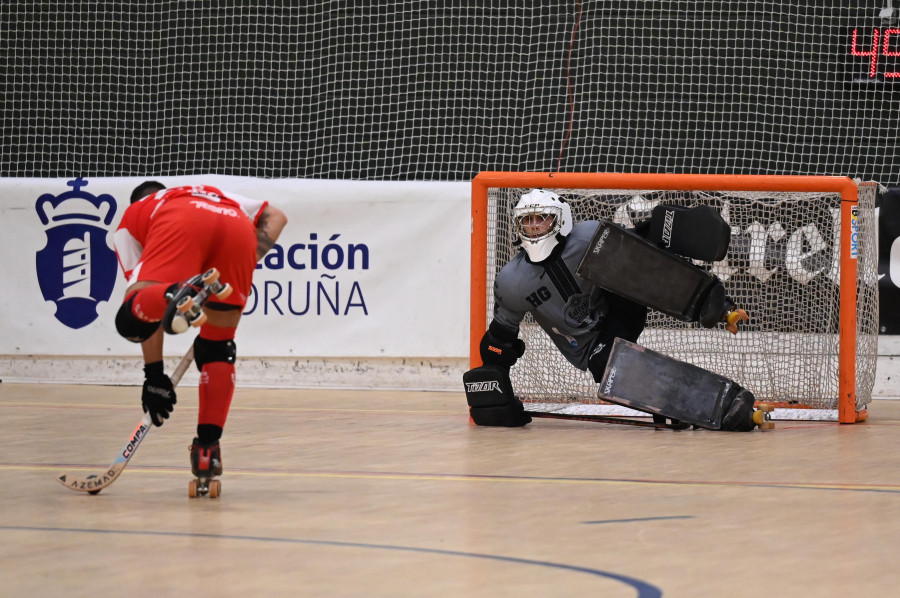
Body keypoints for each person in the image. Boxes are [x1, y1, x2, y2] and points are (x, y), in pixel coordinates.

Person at [113, 181, 288, 483]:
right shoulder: (209, 192)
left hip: (180, 223)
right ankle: (207, 450)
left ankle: (178, 289)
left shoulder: (133, 218)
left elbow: (146, 305)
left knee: (130, 321)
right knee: (217, 347)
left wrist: (154, 376)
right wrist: (244, 258)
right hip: (237, 228)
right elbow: (276, 217)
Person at [466, 189, 647, 427]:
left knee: (647, 264)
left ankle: (704, 296)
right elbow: (497, 344)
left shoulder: (588, 235)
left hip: (624, 307)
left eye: (542, 217)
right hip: (591, 346)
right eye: (527, 220)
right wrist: (497, 401)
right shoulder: (512, 281)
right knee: (606, 364)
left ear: (559, 218)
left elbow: (641, 243)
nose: (534, 226)